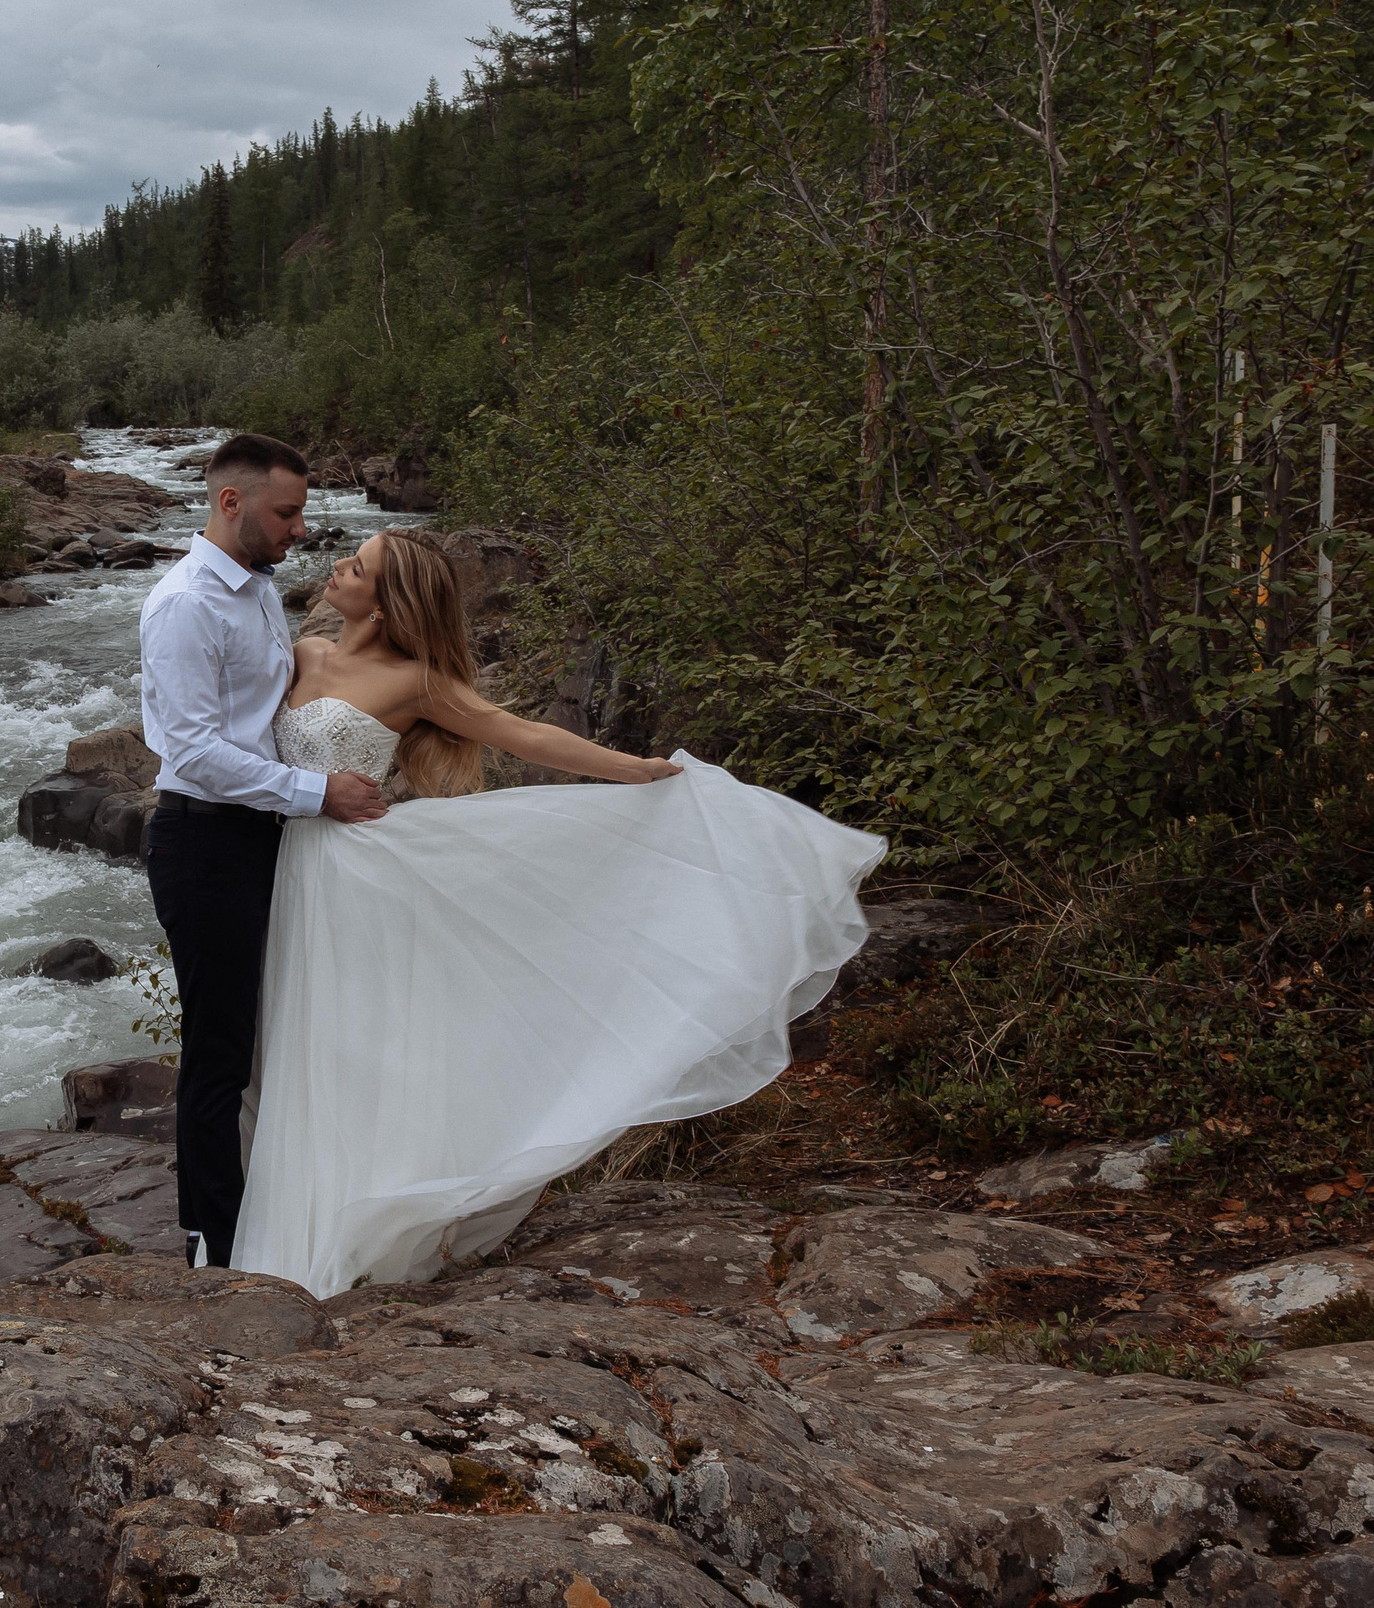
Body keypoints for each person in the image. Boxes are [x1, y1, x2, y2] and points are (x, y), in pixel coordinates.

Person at [227, 527, 884, 1295]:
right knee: (292, 1038)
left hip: (354, 879)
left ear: (385, 601)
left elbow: (520, 732)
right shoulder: (302, 652)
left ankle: (353, 1225)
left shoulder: (416, 681)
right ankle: (285, 1214)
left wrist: (633, 770)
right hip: (288, 864)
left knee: (352, 1044)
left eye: (357, 564)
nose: (338, 566)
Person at [138, 433, 386, 1271]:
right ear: (230, 502)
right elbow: (195, 751)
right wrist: (320, 791)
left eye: (302, 512)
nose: (300, 528)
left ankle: (270, 1217)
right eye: (287, 512)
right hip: (204, 841)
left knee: (267, 1035)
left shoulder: (258, 589)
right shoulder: (186, 605)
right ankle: (214, 1246)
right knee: (220, 1053)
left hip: (262, 838)